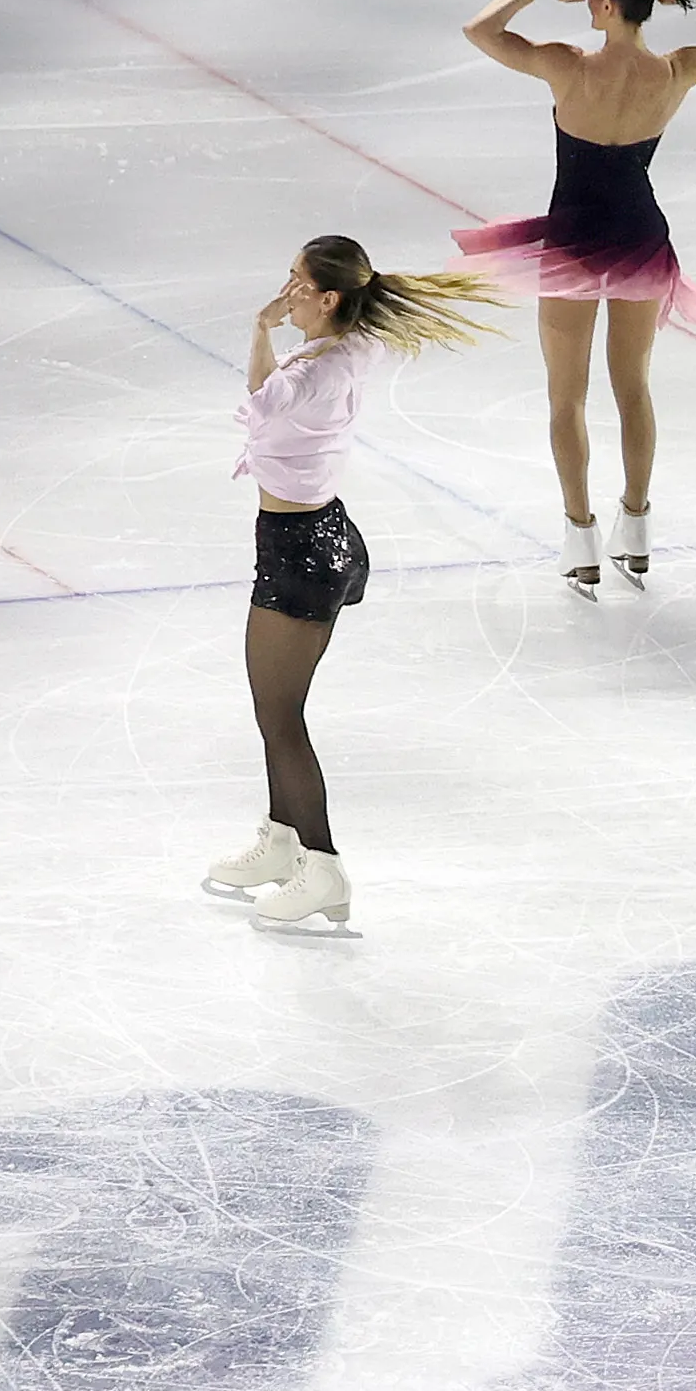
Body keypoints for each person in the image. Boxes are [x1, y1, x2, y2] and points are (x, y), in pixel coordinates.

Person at [198, 236, 496, 938]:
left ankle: (323, 867)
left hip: (301, 554)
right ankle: (280, 840)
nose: (287, 288)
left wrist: (260, 327)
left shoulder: (313, 376)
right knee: (274, 709)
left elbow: (262, 402)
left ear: (327, 299)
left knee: (280, 717)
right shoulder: (351, 346)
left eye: (297, 281)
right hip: (315, 540)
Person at [451, 0, 696, 589]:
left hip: (572, 242)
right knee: (634, 389)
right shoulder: (677, 71)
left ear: (599, 3)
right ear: (648, 1)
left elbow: (480, 31)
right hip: (639, 239)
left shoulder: (566, 66)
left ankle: (580, 537)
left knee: (566, 396)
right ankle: (638, 526)